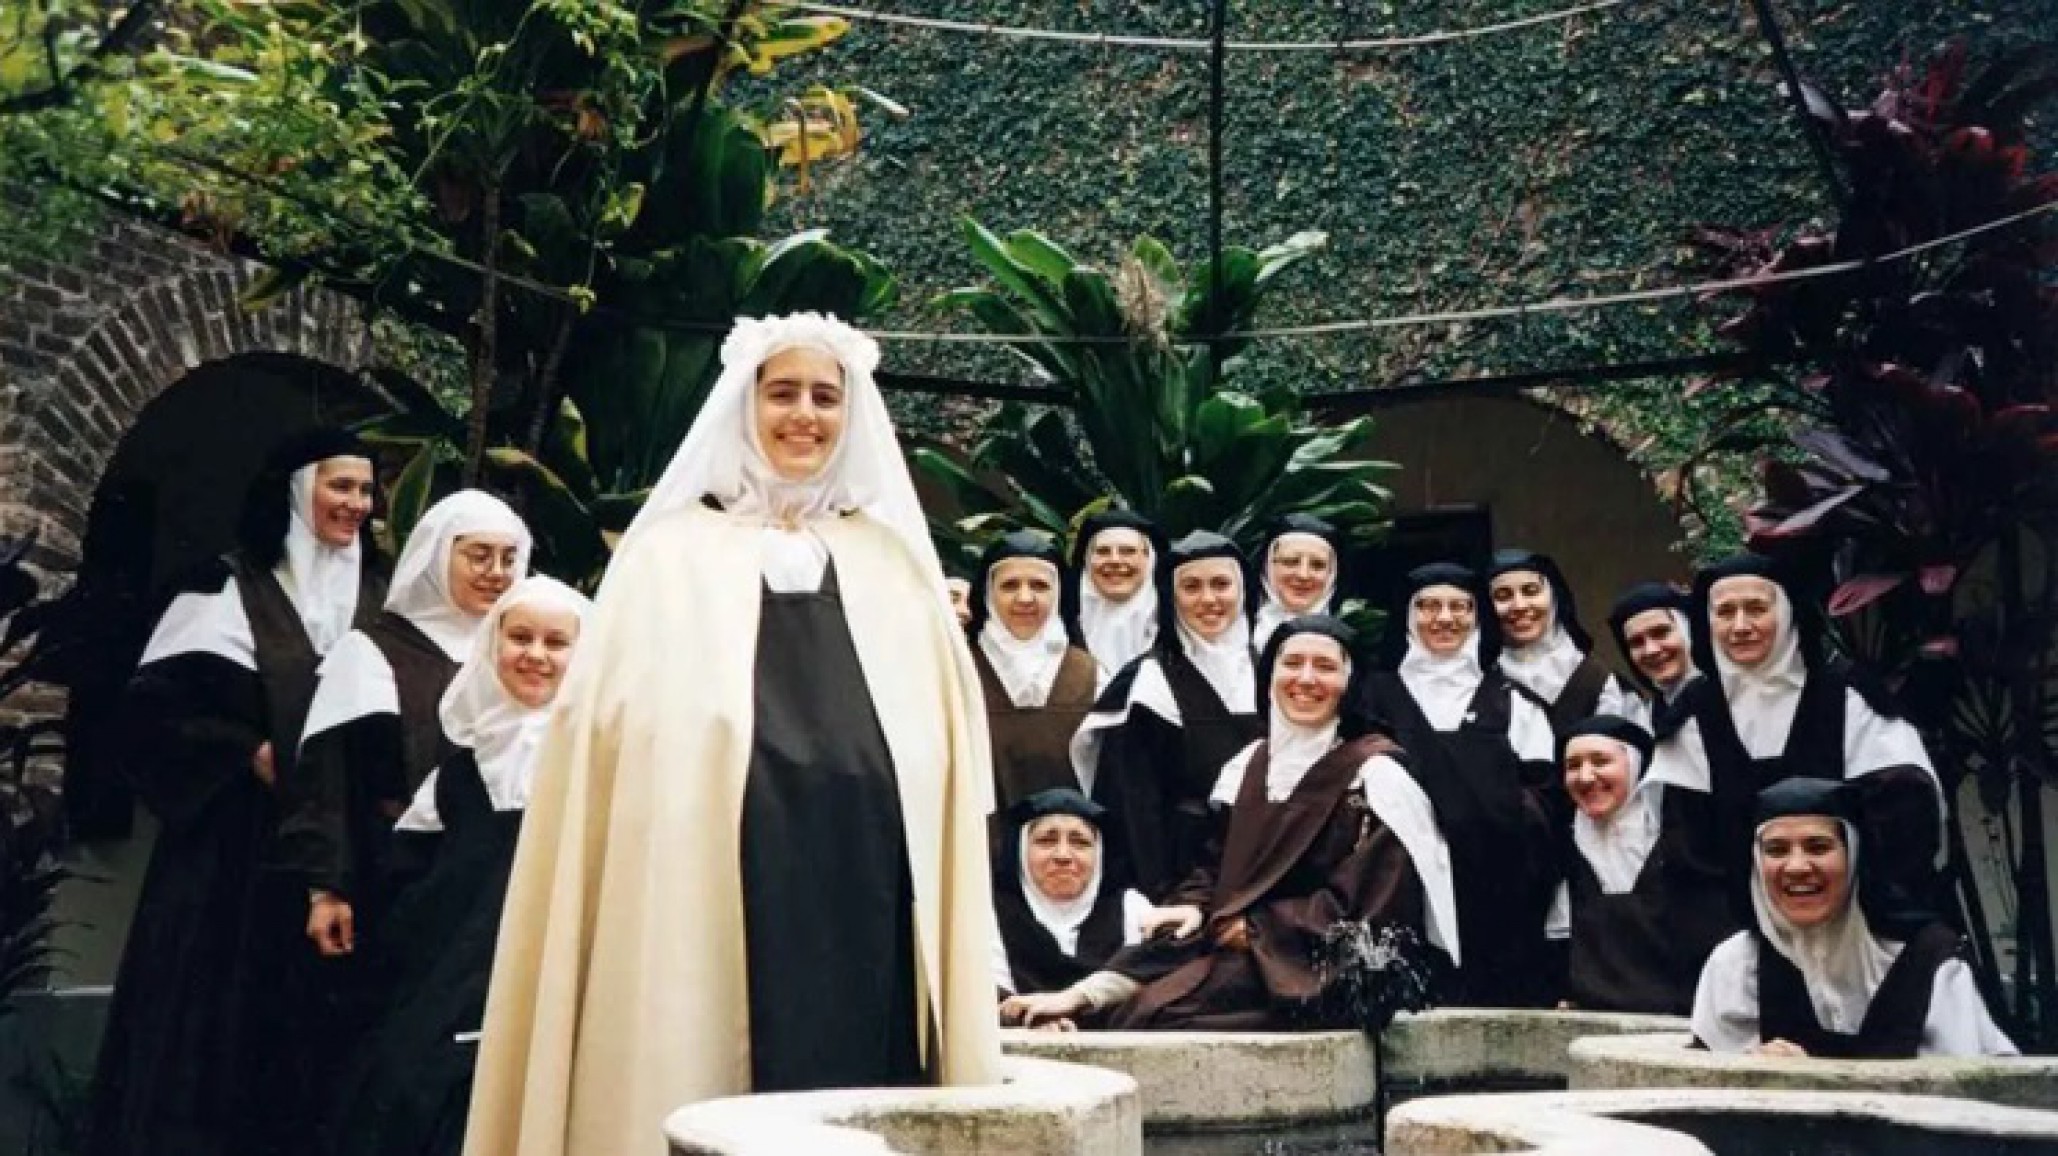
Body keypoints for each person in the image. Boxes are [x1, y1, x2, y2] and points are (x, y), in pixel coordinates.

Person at [463, 313, 1001, 1156]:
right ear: (742, 406)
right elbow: (615, 738)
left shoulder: (893, 566)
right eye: (782, 392)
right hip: (701, 893)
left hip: (867, 897)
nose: (805, 415)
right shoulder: (666, 560)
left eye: (827, 397)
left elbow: (947, 754)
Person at [87, 428, 385, 1156]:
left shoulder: (383, 595)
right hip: (229, 860)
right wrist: (240, 751)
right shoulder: (225, 586)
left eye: (366, 490)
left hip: (342, 860)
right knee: (209, 1039)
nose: (355, 504)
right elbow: (150, 714)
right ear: (294, 488)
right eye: (338, 486)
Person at [1005, 617, 1454, 1031]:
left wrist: (1261, 930)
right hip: (1243, 946)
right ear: (1269, 677)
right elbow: (1217, 869)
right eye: (1291, 663)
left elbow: (1376, 902)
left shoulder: (1377, 778)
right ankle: (1077, 1000)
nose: (1306, 679)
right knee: (1152, 963)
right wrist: (1194, 906)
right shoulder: (1245, 768)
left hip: (1315, 965)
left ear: (1349, 683)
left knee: (1161, 1013)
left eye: (1325, 667)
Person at [335, 577, 590, 1156]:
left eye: (556, 643)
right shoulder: (462, 768)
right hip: (453, 976)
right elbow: (409, 877)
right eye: (520, 638)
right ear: (492, 646)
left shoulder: (595, 763)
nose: (535, 656)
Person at [277, 489, 531, 956]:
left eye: (509, 558)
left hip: (496, 881)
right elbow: (328, 781)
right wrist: (326, 888)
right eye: (478, 556)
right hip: (391, 876)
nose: (496, 573)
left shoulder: (522, 654)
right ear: (436, 558)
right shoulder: (372, 652)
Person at [1657, 555, 1944, 926]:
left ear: (1789, 612)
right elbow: (1688, 850)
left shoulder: (1848, 695)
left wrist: (1859, 910)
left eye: (1756, 608)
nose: (1740, 626)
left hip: (1858, 924)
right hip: (1739, 931)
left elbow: (1903, 811)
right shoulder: (1694, 712)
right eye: (1725, 612)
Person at [1689, 778, 2016, 1058]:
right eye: (1776, 850)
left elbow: (1969, 1087)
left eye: (1818, 847)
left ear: (1855, 856)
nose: (1797, 867)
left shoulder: (1928, 963)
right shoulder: (1737, 965)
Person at [1356, 562, 1559, 1007]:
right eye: (1428, 606)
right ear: (1409, 618)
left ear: (1477, 618)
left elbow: (1544, 798)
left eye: (1460, 607)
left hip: (1496, 892)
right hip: (1403, 888)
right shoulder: (1374, 697)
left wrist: (1483, 819)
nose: (1444, 618)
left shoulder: (1511, 700)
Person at [1071, 530, 1262, 899]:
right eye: (1191, 587)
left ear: (1243, 591)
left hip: (1261, 866)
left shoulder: (1272, 673)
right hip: (1174, 878)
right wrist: (1156, 896)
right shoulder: (1147, 683)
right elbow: (1132, 811)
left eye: (1221, 584)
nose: (1208, 599)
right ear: (1170, 597)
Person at [1558, 715, 1738, 1016]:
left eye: (1601, 761)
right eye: (1572, 766)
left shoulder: (1684, 842)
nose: (1585, 777)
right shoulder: (1564, 844)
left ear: (1636, 765)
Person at [967, 531, 1102, 808]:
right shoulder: (961, 668)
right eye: (1010, 586)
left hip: (1064, 837)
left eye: (1039, 586)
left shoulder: (1089, 672)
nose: (1025, 597)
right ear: (988, 594)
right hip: (980, 837)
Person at [990, 788, 1156, 1005]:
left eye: (1080, 843)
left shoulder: (1132, 908)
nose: (1063, 856)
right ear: (1021, 851)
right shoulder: (990, 913)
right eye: (1046, 841)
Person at [1486, 548, 1636, 736]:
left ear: (1555, 598)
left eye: (1531, 591)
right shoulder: (1479, 681)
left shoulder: (1595, 680)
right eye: (1503, 596)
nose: (1519, 606)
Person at [1062, 508, 1163, 678]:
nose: (1115, 560)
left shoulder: (1179, 630)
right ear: (1087, 560)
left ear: (1149, 559)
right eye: (1103, 551)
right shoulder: (1057, 629)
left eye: (1128, 551)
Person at [1606, 581, 1701, 732]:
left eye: (1660, 633)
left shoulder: (1730, 699)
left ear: (1688, 631)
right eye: (1636, 642)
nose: (1650, 650)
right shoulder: (1646, 722)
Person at [1249, 514, 1342, 653]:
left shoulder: (1350, 642)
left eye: (1318, 565)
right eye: (1291, 561)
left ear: (1331, 574)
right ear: (1268, 567)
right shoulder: (1232, 633)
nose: (1303, 575)